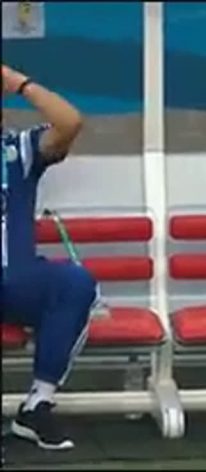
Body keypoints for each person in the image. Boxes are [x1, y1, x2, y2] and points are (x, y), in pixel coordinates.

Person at [2, 64, 91, 450]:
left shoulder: (18, 150)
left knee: (74, 282)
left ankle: (37, 406)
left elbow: (70, 123)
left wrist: (20, 84)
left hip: (17, 280)